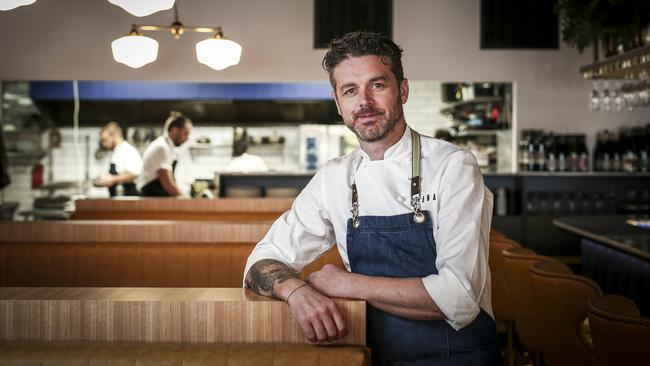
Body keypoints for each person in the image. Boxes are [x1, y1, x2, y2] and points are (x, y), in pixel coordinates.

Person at [243, 31, 500, 365]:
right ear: (338, 104)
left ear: (402, 90)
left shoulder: (452, 166)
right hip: (371, 355)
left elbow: (458, 298)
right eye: (350, 91)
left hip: (458, 355)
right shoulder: (333, 178)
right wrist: (297, 291)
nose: (363, 102)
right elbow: (259, 264)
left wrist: (348, 284)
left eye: (377, 85)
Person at [137, 111, 192, 197]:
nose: (187, 138)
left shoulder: (165, 146)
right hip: (151, 200)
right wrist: (186, 200)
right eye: (185, 133)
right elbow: (168, 185)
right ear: (174, 130)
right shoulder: (161, 148)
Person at [94, 122, 142, 196]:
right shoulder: (116, 152)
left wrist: (112, 179)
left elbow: (135, 173)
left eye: (105, 140)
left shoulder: (127, 150)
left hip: (128, 199)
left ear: (114, 136)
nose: (103, 144)